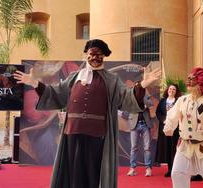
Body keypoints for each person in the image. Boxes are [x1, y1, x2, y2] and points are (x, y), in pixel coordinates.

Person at [14, 39, 161, 188]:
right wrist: (35, 83)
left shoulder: (111, 79)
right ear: (87, 55)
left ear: (103, 56)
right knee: (73, 170)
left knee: (93, 171)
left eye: (99, 55)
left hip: (97, 134)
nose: (95, 58)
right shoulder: (74, 77)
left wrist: (142, 85)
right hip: (72, 131)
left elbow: (126, 97)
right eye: (92, 54)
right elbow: (56, 93)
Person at [155, 84, 181, 177]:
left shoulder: (178, 101)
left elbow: (180, 113)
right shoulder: (162, 101)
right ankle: (169, 169)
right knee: (167, 149)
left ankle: (175, 169)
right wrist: (163, 120)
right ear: (167, 90)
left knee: (174, 149)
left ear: (176, 91)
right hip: (165, 129)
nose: (171, 90)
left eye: (174, 89)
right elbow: (158, 113)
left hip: (175, 129)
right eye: (170, 89)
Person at [126, 95, 154, 177]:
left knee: (147, 148)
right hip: (134, 125)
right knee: (133, 147)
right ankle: (132, 169)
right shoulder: (130, 97)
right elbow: (127, 107)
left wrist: (143, 101)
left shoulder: (146, 97)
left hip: (145, 124)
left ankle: (148, 168)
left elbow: (151, 104)